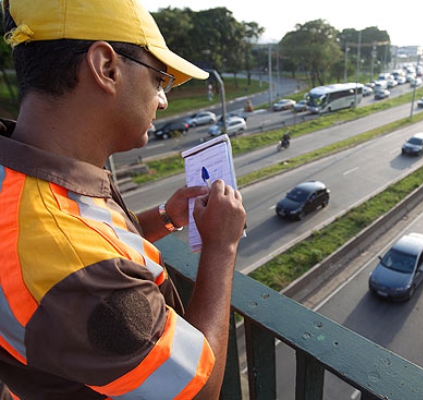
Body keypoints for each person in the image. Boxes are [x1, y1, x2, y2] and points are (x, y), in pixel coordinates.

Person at [0, 0, 246, 399]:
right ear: (107, 68)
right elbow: (199, 390)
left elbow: (97, 237)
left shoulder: (27, 176)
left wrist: (166, 216)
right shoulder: (73, 262)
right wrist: (221, 247)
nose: (163, 100)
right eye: (159, 80)